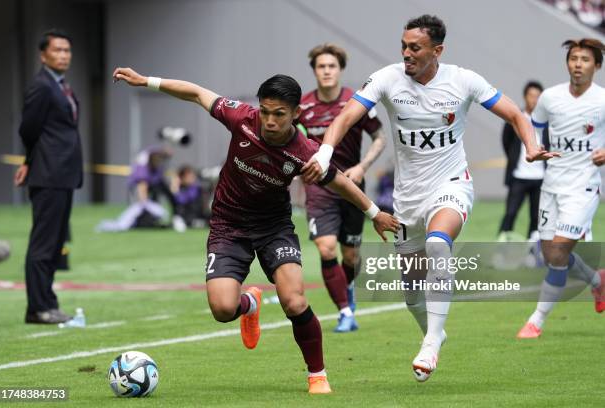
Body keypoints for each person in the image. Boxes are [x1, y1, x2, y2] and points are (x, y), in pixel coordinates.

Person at [112, 67, 400, 394]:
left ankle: (317, 374)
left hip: (273, 227)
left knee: (293, 301)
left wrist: (374, 213)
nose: (270, 120)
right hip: (228, 225)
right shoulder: (241, 119)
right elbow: (196, 92)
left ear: (295, 114)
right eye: (265, 111)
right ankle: (249, 304)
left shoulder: (305, 152)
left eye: (279, 114)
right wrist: (146, 81)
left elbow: (339, 182)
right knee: (222, 310)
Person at [302, 15, 557, 382]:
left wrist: (531, 146)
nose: (406, 53)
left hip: (451, 185)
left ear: (437, 51)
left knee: (439, 245)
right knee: (411, 292)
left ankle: (432, 341)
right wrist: (326, 152)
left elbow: (515, 114)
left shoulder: (463, 81)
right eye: (403, 46)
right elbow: (346, 117)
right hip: (407, 198)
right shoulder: (388, 78)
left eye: (415, 48)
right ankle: (433, 331)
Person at [517, 38, 605, 339]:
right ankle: (597, 280)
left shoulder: (602, 100)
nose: (578, 64)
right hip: (552, 185)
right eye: (573, 58)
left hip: (584, 186)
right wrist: (533, 147)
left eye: (585, 59)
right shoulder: (550, 98)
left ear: (596, 65)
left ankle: (536, 321)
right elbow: (532, 126)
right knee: (551, 254)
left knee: (557, 253)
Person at [297, 43, 387, 332]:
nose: (326, 71)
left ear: (340, 70)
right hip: (319, 188)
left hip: (350, 186)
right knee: (326, 249)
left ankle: (347, 289)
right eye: (321, 66)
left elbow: (380, 138)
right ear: (314, 71)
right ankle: (345, 312)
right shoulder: (304, 107)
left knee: (350, 256)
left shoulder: (355, 102)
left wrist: (362, 167)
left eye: (331, 66)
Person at [14, 29, 83, 324]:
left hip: (63, 174)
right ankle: (38, 308)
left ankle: (48, 302)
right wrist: (31, 160)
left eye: (67, 50)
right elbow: (27, 128)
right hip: (49, 174)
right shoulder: (42, 86)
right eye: (57, 50)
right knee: (43, 243)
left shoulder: (62, 85)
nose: (64, 55)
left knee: (55, 243)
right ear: (43, 55)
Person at [499, 81, 549, 242]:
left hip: (540, 178)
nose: (534, 100)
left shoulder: (548, 121)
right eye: (531, 96)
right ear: (525, 97)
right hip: (518, 177)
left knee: (536, 216)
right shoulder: (516, 118)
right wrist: (514, 159)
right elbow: (506, 142)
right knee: (510, 213)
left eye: (537, 96)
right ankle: (502, 246)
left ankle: (531, 251)